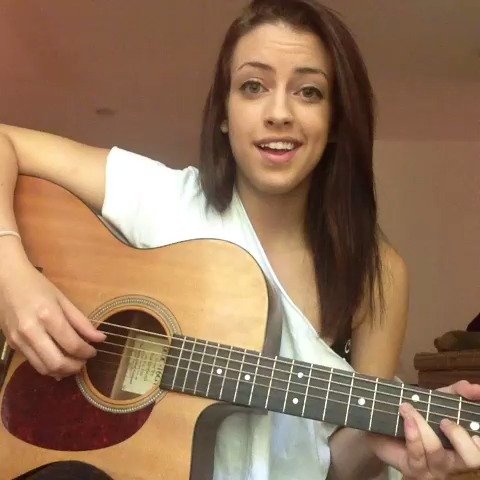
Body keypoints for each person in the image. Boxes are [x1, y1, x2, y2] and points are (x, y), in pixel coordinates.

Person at [0, 0, 479, 478]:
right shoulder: (162, 196)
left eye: (309, 92)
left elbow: (334, 465)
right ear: (224, 113)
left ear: (336, 120)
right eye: (253, 86)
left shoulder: (378, 274)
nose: (279, 113)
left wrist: (394, 437)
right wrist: (12, 277)